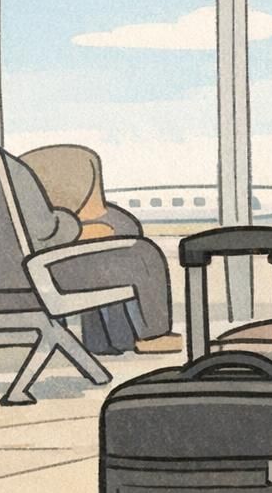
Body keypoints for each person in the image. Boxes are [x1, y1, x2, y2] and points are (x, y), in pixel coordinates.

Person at [0, 63, 180, 367]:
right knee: (139, 249)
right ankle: (153, 334)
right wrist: (77, 226)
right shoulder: (1, 167)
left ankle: (114, 338)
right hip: (19, 288)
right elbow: (44, 234)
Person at [20, 145, 181, 354]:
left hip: (61, 267)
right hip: (61, 271)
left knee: (117, 246)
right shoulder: (68, 225)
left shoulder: (41, 217)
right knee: (142, 253)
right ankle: (151, 335)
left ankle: (110, 340)